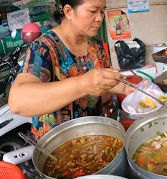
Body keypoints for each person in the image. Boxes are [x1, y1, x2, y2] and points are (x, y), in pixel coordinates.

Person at [9, 0, 133, 141]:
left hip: (95, 138)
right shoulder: (43, 48)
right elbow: (17, 102)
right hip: (58, 147)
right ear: (68, 11)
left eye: (102, 11)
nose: (99, 18)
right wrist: (82, 84)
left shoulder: (96, 44)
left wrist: (126, 89)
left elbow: (103, 81)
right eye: (93, 11)